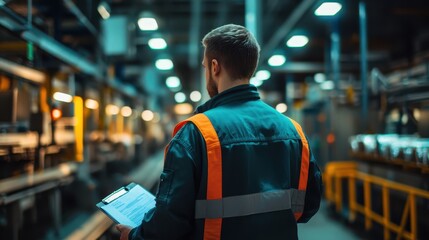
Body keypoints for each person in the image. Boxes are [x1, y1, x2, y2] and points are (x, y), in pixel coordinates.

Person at [117, 24, 322, 240]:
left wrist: (134, 236)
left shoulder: (196, 133)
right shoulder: (294, 131)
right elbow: (308, 206)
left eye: (205, 66)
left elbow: (171, 223)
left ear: (215, 67)